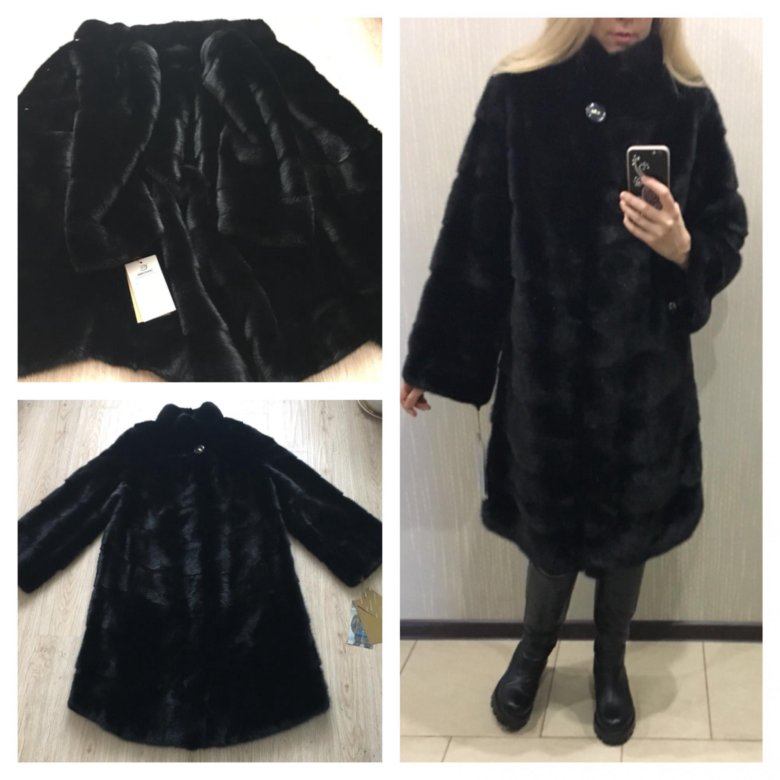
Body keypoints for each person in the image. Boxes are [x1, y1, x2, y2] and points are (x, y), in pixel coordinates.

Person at [401, 18, 747, 746]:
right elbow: (474, 235)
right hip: (546, 378)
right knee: (547, 531)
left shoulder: (686, 101)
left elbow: (727, 229)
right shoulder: (520, 94)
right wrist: (436, 359)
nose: (625, 14)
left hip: (645, 385)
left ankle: (610, 663)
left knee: (630, 535)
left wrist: (685, 249)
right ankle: (535, 650)